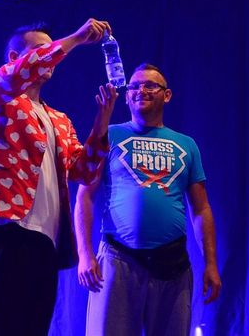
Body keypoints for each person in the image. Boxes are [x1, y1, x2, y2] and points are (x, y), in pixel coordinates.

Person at [0, 18, 117, 336]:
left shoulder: (59, 119)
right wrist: (75, 39)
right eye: (41, 49)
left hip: (45, 239)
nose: (51, 54)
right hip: (1, 228)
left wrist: (102, 121)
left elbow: (84, 171)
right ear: (15, 57)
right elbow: (16, 75)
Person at [75, 63, 222, 336]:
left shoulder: (187, 144)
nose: (141, 90)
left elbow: (201, 209)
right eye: (134, 86)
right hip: (119, 258)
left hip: (172, 263)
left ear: (167, 95)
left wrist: (211, 263)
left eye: (150, 85)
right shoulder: (109, 134)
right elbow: (85, 195)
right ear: (127, 96)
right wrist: (85, 254)